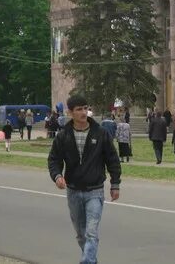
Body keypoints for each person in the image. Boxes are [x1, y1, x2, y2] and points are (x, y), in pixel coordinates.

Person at [48, 94, 121, 264]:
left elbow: (112, 159)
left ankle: (86, 261)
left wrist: (115, 184)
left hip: (94, 191)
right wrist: (57, 176)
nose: (83, 112)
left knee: (91, 233)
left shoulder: (100, 133)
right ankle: (91, 260)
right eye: (79, 109)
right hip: (73, 191)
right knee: (81, 235)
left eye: (85, 108)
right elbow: (53, 160)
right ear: (70, 112)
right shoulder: (63, 135)